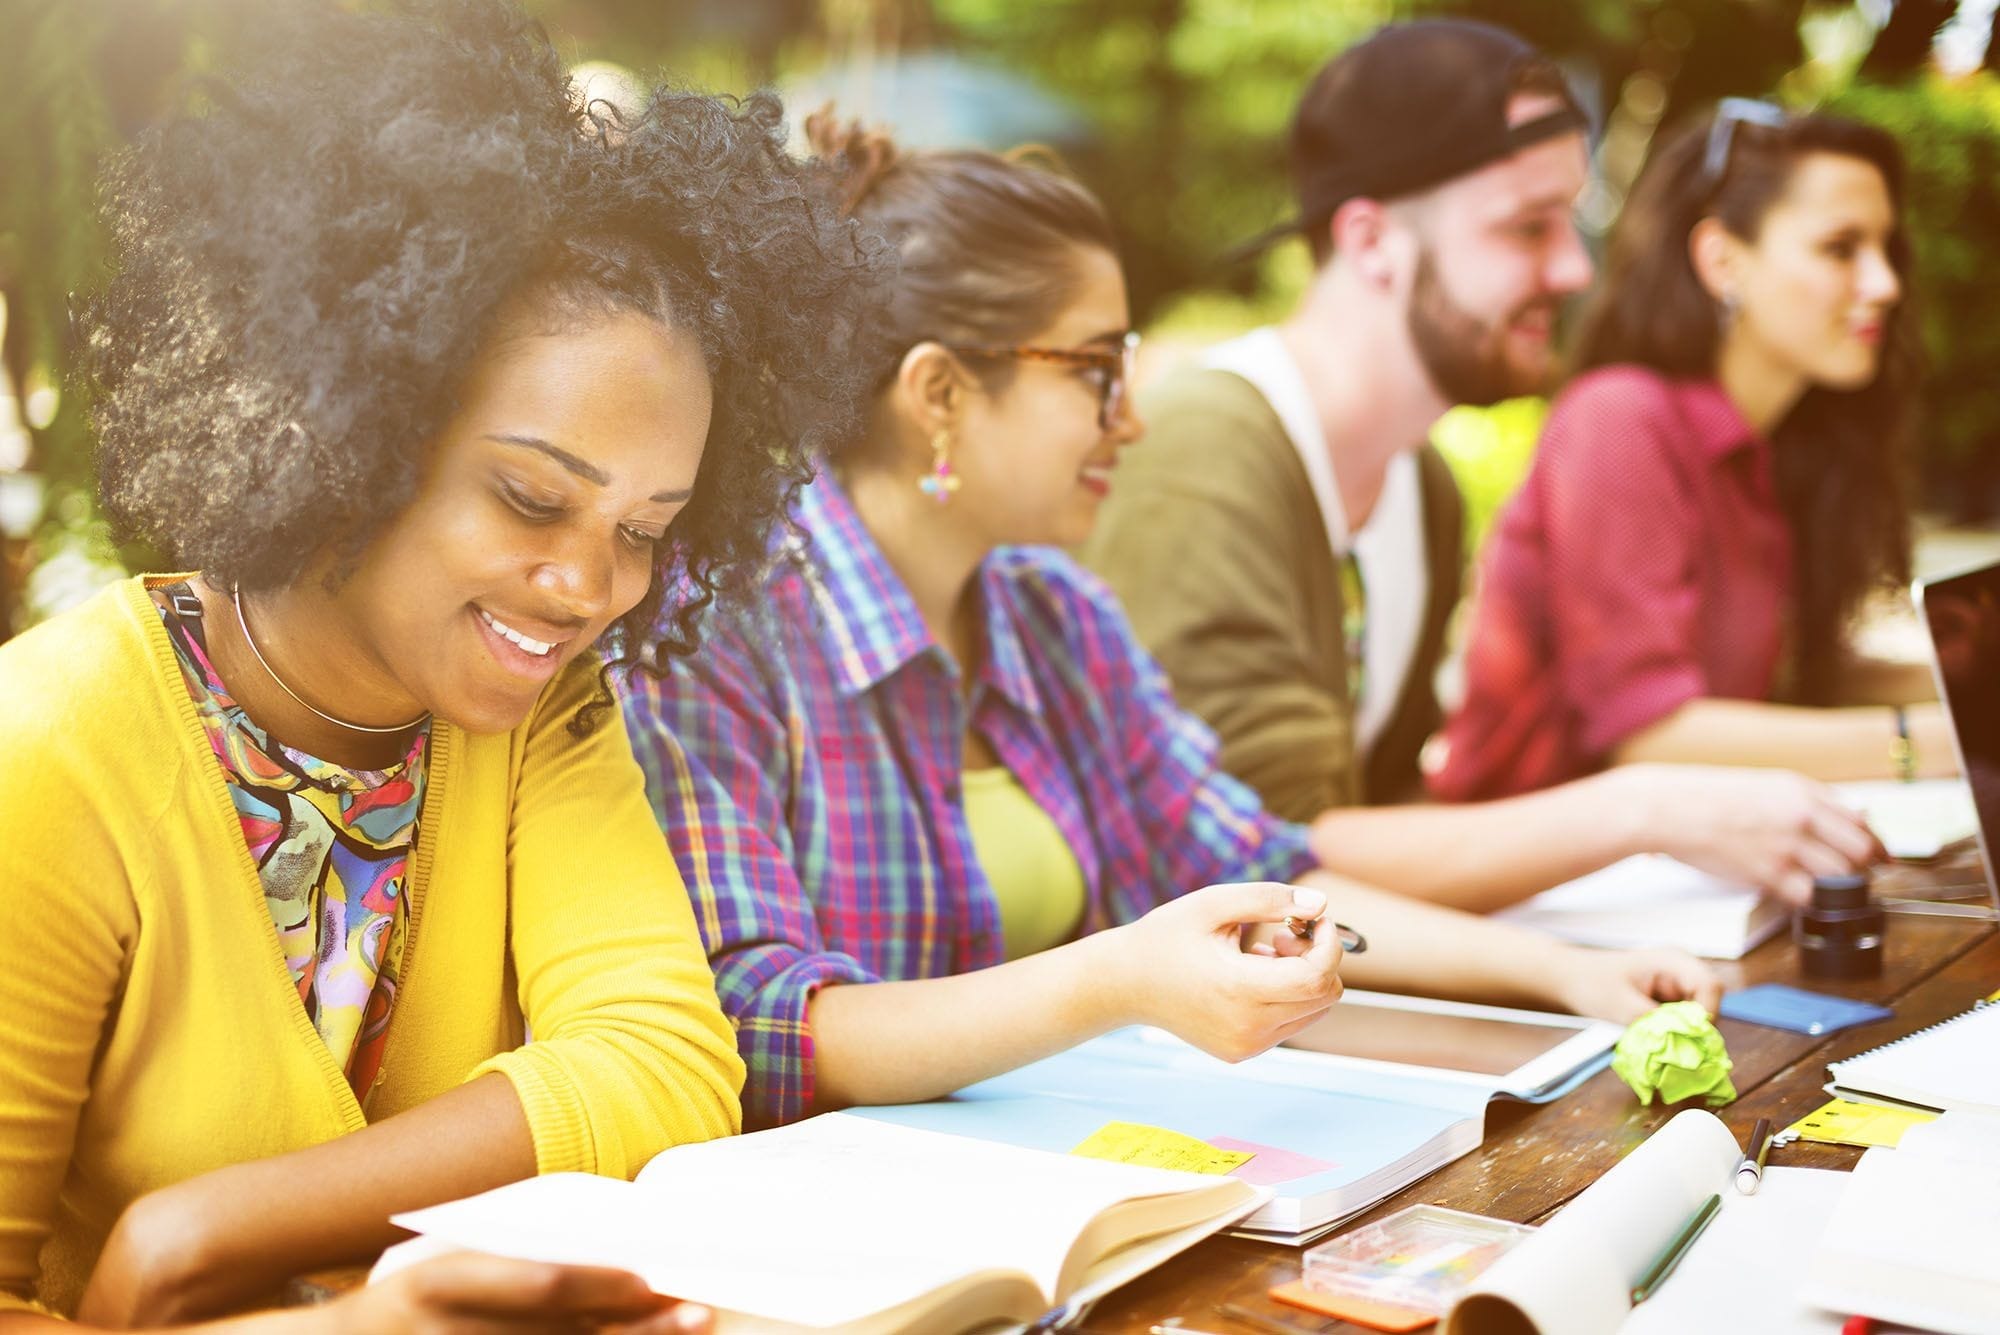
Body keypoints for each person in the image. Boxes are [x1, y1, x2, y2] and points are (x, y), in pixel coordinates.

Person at [0, 2, 870, 1327]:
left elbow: (665, 1059)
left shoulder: (540, 713)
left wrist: (203, 1222)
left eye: (643, 530)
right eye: (530, 498)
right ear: (349, 428)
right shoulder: (53, 747)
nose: (589, 590)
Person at [616, 112, 1724, 1132]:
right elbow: (753, 1024)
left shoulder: (1052, 616)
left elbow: (1257, 863)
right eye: (1095, 372)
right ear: (939, 395)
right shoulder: (713, 629)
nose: (1132, 420)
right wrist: (1115, 977)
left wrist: (1565, 974)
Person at [1076, 20, 1881, 909]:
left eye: (1571, 225)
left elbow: (1375, 814)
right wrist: (1641, 807)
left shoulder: (1421, 487)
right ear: (1372, 240)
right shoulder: (1208, 447)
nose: (1576, 268)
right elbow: (1248, 857)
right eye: (1528, 228)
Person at [1431, 102, 1947, 801]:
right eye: (1840, 248)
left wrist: (1966, 677)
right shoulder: (1619, 421)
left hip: (1688, 874)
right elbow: (1649, 730)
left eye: (1888, 250)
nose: (1885, 284)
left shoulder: (1786, 447)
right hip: (1537, 884)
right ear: (1722, 260)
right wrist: (1928, 740)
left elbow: (1799, 673)